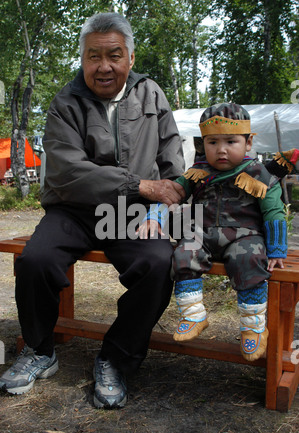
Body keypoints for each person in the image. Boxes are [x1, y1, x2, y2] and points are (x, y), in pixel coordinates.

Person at [0, 12, 185, 407]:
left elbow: (173, 159)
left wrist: (174, 197)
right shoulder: (65, 102)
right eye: (93, 56)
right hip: (74, 209)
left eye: (114, 55)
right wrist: (142, 185)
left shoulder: (151, 93)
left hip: (132, 212)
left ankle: (115, 358)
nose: (104, 67)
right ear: (82, 58)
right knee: (35, 260)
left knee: (157, 264)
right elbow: (69, 171)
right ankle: (39, 349)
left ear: (130, 58)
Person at [138, 102, 294, 362]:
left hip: (244, 236)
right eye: (212, 142)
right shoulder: (197, 173)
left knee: (249, 259)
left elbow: (274, 212)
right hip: (202, 233)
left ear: (248, 142)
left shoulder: (260, 174)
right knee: (184, 251)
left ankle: (253, 327)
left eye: (231, 141)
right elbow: (170, 194)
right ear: (203, 144)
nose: (221, 150)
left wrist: (277, 248)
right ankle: (193, 314)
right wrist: (155, 217)